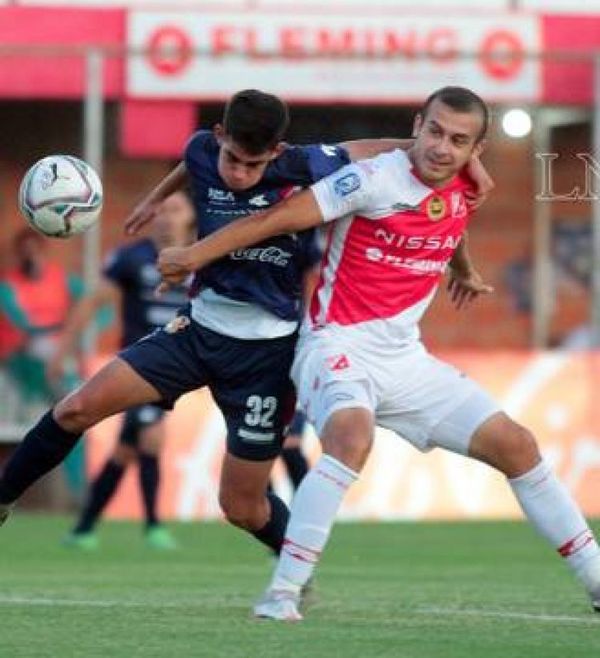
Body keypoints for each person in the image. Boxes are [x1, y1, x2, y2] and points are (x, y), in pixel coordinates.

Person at [154, 86, 600, 621]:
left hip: (404, 358)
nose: (441, 147)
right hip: (333, 343)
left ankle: (595, 580)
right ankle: (282, 594)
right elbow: (274, 220)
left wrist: (463, 269)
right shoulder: (370, 179)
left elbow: (446, 218)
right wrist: (191, 255)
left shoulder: (462, 184)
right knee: (351, 436)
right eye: (434, 131)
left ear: (474, 150)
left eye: (458, 140)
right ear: (418, 124)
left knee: (518, 445)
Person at [1, 90, 493, 557]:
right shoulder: (200, 151)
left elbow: (375, 151)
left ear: (276, 152)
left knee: (242, 507)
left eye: (255, 165)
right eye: (232, 159)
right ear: (218, 136)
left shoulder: (301, 165)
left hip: (268, 357)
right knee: (77, 408)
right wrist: (157, 196)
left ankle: (296, 568)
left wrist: (455, 155)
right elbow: (192, 162)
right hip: (195, 333)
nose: (240, 173)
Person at [47, 191, 195, 550]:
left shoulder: (203, 258)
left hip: (187, 367)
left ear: (191, 215)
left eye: (174, 210)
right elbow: (93, 300)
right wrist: (62, 352)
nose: (164, 217)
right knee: (150, 437)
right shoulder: (132, 258)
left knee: (124, 452)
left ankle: (83, 529)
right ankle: (153, 526)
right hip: (141, 368)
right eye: (159, 210)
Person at [0, 228, 96, 499]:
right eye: (25, 251)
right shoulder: (8, 286)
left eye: (36, 250)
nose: (31, 256)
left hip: (57, 361)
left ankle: (78, 491)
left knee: (74, 417)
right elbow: (19, 326)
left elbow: (95, 305)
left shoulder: (64, 281)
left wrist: (72, 341)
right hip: (23, 366)